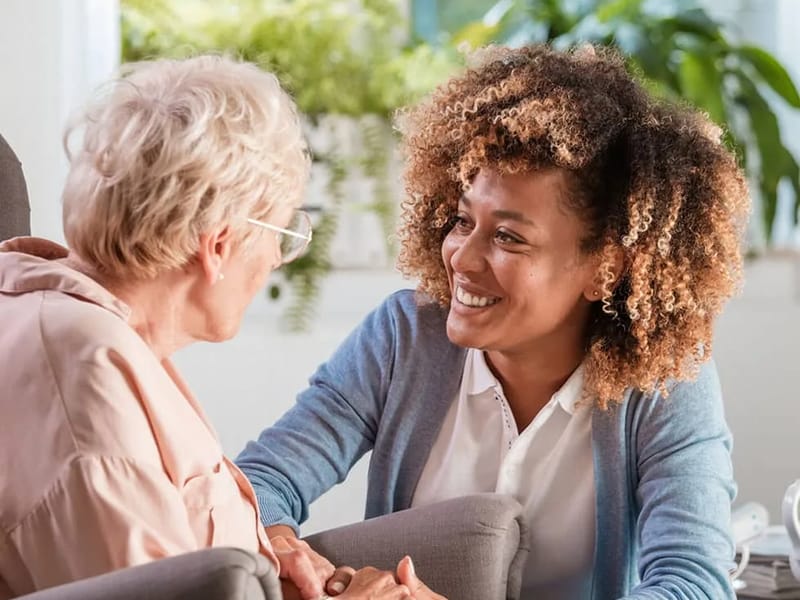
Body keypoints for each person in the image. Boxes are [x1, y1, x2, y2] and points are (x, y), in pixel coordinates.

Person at [237, 44, 750, 599]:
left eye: (508, 237)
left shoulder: (666, 383)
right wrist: (285, 550)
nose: (461, 256)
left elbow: (693, 584)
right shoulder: (402, 338)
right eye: (462, 220)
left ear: (606, 267)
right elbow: (258, 481)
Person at [0, 55, 429, 600]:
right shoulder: (86, 379)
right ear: (219, 245)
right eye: (281, 230)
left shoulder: (82, 325)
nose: (278, 255)